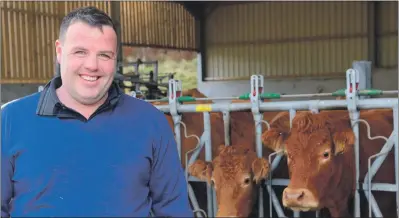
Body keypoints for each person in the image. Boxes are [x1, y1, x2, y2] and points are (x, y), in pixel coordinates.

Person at [1, 6, 193, 217]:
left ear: (115, 58)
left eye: (104, 55)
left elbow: (175, 209)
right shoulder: (11, 120)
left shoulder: (151, 122)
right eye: (80, 52)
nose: (92, 65)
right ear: (59, 52)